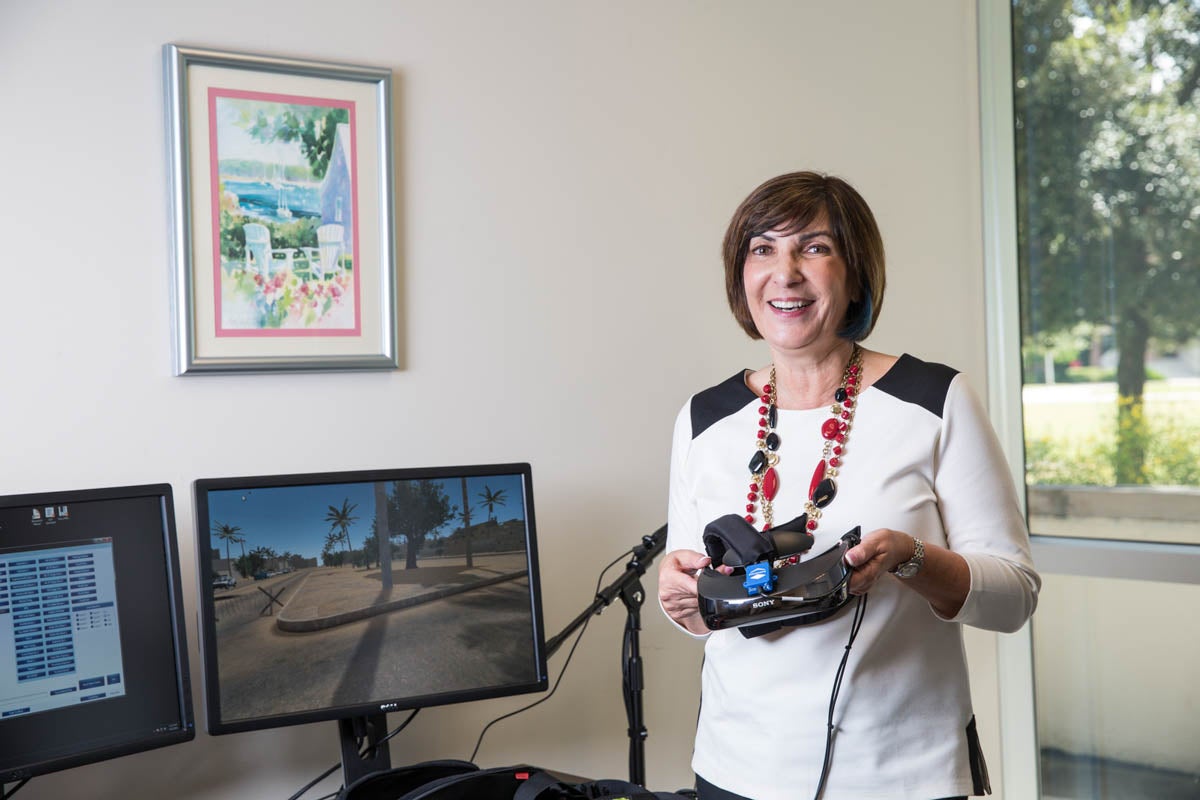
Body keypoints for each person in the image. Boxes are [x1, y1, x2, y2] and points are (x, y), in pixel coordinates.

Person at [658, 171, 1040, 800]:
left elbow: (1014, 597)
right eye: (762, 249)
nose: (785, 272)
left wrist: (908, 559)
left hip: (900, 775)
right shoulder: (703, 418)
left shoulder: (933, 399)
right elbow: (694, 601)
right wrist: (681, 598)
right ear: (741, 276)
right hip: (734, 769)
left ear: (855, 273)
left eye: (814, 247)